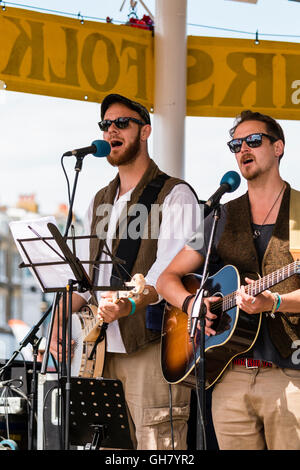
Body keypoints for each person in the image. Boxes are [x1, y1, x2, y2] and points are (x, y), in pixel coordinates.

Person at [50, 93, 199, 450]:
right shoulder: (100, 199)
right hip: (100, 350)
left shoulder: (174, 194)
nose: (111, 129)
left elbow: (168, 274)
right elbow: (87, 280)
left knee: (158, 447)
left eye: (121, 123)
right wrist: (58, 317)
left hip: (150, 346)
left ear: (144, 131)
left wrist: (129, 305)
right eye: (105, 125)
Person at [156, 110, 300, 450]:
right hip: (229, 376)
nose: (243, 150)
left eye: (253, 141)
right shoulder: (219, 216)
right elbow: (167, 279)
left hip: (291, 376)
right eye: (236, 144)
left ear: (278, 147)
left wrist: (274, 302)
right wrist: (192, 304)